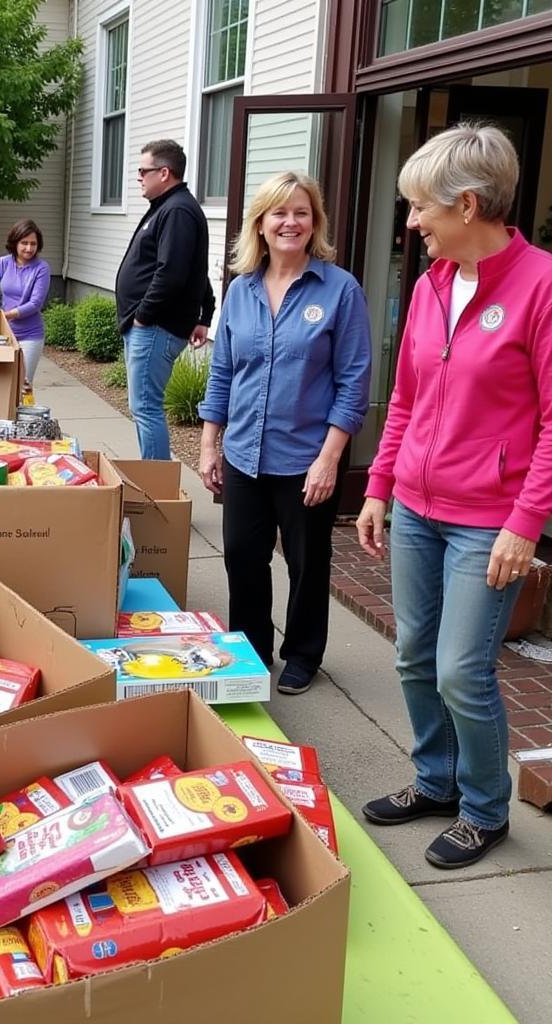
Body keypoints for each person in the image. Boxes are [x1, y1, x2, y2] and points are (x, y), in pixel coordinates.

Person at [356, 124, 552, 869]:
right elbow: (405, 399)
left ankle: (483, 808)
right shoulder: (433, 285)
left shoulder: (541, 287)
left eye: (419, 209)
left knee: (460, 670)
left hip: (487, 523)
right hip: (416, 507)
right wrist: (380, 487)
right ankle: (434, 781)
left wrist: (524, 522)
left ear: (467, 206)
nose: (411, 223)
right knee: (412, 654)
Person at [198, 171, 371, 697]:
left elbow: (354, 382)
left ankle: (302, 655)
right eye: (279, 212)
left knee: (307, 564)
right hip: (244, 454)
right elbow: (223, 372)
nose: (290, 222)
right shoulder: (241, 290)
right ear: (261, 223)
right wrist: (210, 444)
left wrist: (329, 460)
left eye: (301, 212)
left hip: (306, 459)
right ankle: (250, 651)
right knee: (242, 558)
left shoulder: (340, 290)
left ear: (314, 222)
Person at [115, 139, 216, 459]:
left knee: (146, 408)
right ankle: (154, 480)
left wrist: (143, 316)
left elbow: (172, 273)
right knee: (143, 407)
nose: (139, 177)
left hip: (155, 326)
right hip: (151, 325)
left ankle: (156, 490)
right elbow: (195, 269)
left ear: (164, 172)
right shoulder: (168, 208)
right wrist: (204, 316)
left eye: (143, 171)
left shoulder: (178, 211)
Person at [0, 219, 51, 393]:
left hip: (30, 336)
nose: (29, 248)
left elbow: (35, 303)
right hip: (4, 334)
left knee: (23, 386)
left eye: (33, 244)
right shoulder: (4, 262)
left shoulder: (42, 268)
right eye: (24, 243)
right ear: (15, 243)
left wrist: (9, 314)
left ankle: (24, 419)